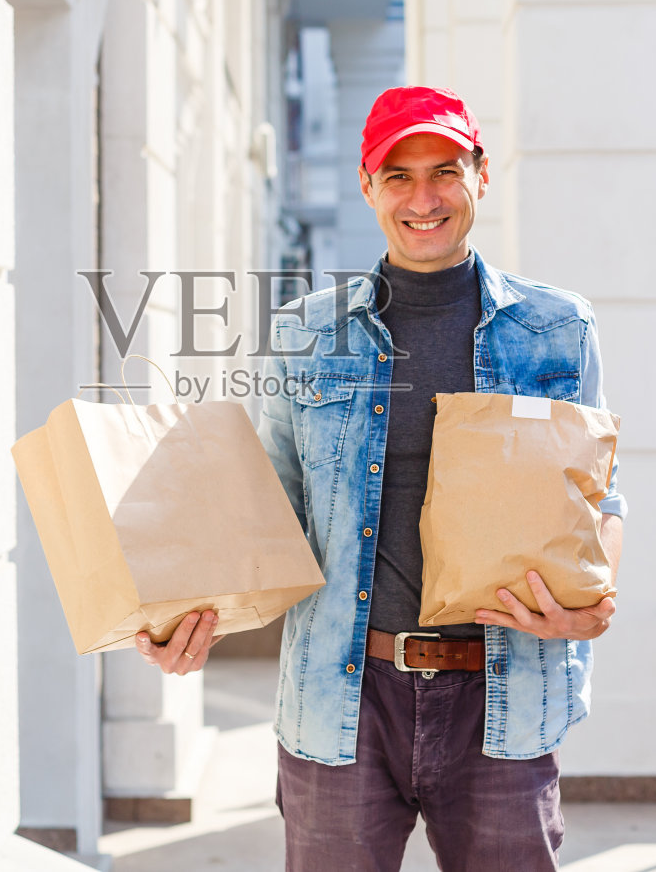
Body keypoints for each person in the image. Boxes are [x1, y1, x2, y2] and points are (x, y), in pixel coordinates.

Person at [133, 85, 626, 871]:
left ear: (481, 174)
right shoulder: (306, 333)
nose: (423, 197)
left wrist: (594, 604)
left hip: (504, 697)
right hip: (344, 698)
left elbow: (602, 499)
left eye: (444, 170)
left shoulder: (558, 328)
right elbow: (269, 516)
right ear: (367, 186)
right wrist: (187, 618)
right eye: (398, 175)